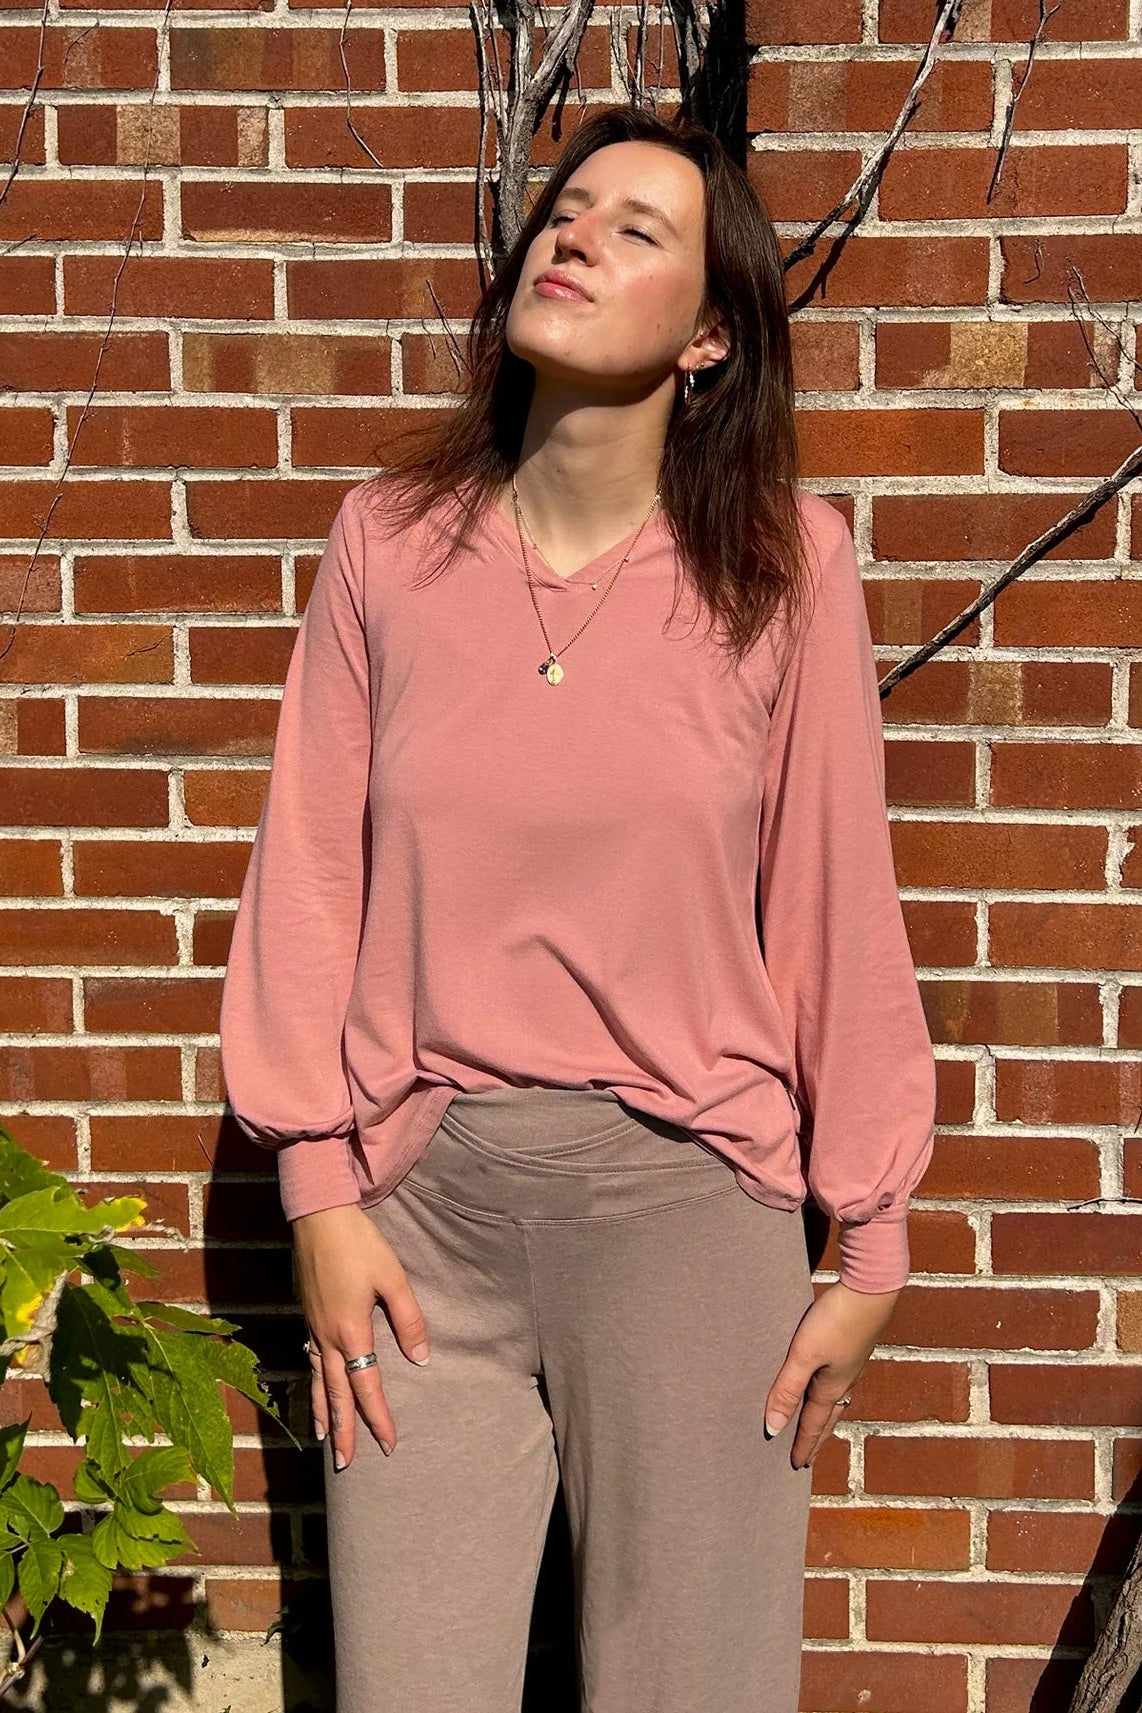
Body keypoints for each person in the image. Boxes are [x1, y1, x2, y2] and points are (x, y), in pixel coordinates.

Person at [218, 102, 937, 1713]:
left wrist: (868, 1240)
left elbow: (836, 905)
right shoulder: (388, 549)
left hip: (691, 1209)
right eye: (566, 208)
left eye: (637, 230)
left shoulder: (786, 571)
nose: (575, 237)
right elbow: (308, 878)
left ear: (706, 339)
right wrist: (320, 1190)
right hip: (420, 1219)